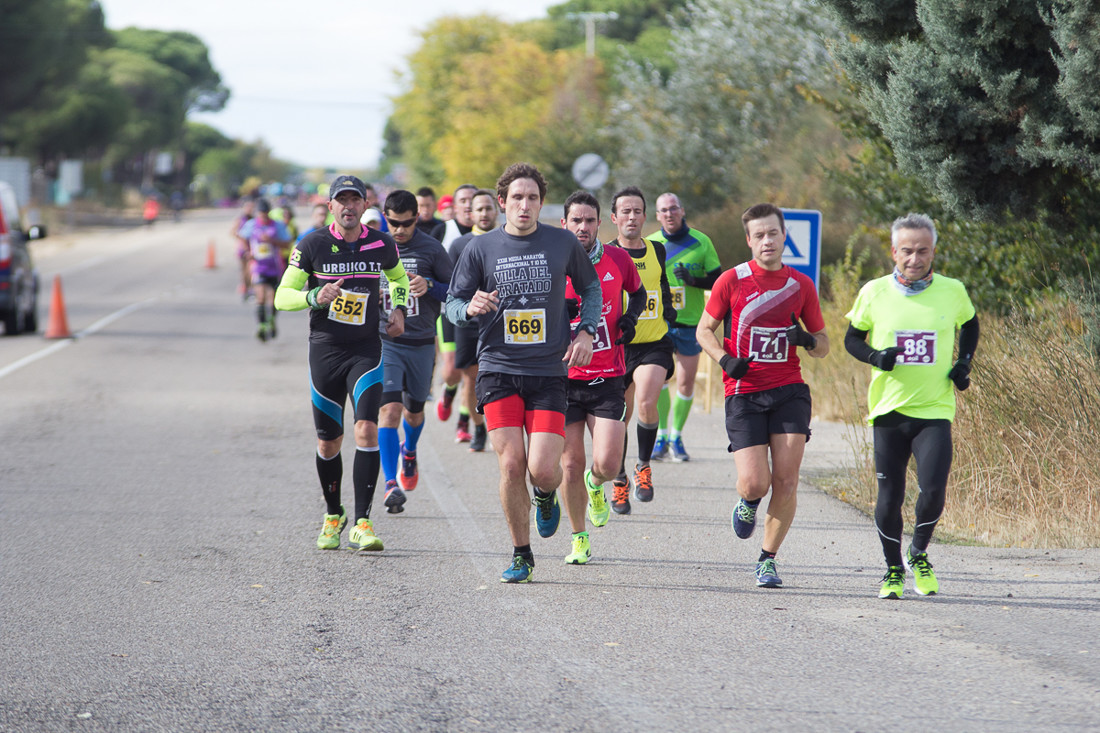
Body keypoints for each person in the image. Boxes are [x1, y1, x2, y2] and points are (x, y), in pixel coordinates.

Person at [445, 162, 601, 583]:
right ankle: (521, 554)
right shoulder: (479, 249)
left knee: (543, 470)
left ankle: (546, 495)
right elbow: (452, 304)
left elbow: (590, 287)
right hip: (498, 369)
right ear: (502, 203)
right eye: (517, 197)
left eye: (533, 197)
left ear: (542, 203)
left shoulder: (562, 242)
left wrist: (586, 330)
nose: (525, 204)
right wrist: (468, 308)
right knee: (512, 465)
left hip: (549, 371)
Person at [844, 213, 978, 599]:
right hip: (888, 411)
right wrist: (875, 357)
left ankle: (918, 554)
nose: (914, 259)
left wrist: (964, 362)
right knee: (890, 498)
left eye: (922, 251)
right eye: (907, 251)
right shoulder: (873, 291)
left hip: (935, 410)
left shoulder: (952, 290)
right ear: (894, 252)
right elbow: (853, 338)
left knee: (933, 490)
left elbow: (970, 324)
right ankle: (892, 570)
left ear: (933, 251)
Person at [274, 174, 410, 552]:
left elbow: (398, 278)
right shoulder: (312, 244)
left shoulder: (381, 244)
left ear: (365, 206)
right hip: (326, 351)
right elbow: (282, 298)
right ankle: (334, 514)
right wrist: (315, 295)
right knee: (328, 441)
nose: (349, 207)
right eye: (341, 200)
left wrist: (398, 308)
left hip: (365, 350)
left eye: (356, 200)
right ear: (331, 206)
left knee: (366, 428)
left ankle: (363, 521)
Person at [696, 203, 829, 588]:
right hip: (744, 392)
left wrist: (806, 340)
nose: (767, 241)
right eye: (759, 235)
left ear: (785, 236)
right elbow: (704, 330)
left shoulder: (801, 285)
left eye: (773, 233)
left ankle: (767, 559)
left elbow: (823, 345)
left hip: (789, 390)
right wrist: (724, 359)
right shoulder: (731, 280)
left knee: (787, 481)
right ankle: (748, 501)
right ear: (749, 240)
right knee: (756, 482)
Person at [558, 190, 645, 564]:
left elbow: (639, 296)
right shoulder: (552, 263)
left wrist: (629, 319)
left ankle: (596, 487)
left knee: (608, 464)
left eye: (589, 220)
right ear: (564, 224)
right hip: (563, 379)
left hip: (609, 375)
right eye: (575, 220)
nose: (582, 227)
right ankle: (579, 538)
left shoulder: (619, 259)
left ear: (599, 223)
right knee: (571, 463)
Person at [376, 190, 454, 509]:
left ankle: (409, 452)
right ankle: (390, 482)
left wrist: (430, 287)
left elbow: (456, 291)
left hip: (422, 343)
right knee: (389, 410)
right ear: (385, 217)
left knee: (414, 411)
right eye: (393, 223)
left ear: (416, 218)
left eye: (406, 223)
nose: (399, 230)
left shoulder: (432, 249)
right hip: (387, 342)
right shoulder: (376, 246)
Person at [606, 187, 676, 514]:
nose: (632, 217)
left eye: (637, 212)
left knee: (648, 400)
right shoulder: (604, 254)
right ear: (614, 218)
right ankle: (619, 480)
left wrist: (671, 312)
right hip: (617, 347)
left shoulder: (657, 250)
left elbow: (661, 286)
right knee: (620, 416)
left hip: (654, 342)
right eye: (626, 212)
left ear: (645, 217)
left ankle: (643, 467)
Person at [648, 192, 723, 462]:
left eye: (673, 209)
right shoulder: (651, 243)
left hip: (691, 323)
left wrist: (693, 280)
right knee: (659, 381)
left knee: (685, 381)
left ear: (682, 211)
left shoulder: (701, 242)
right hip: (660, 323)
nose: (669, 214)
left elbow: (717, 280)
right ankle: (661, 437)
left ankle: (676, 437)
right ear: (657, 216)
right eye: (663, 210)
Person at [441, 189, 495, 450]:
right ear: (470, 214)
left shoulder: (506, 240)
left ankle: (501, 427)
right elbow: (452, 290)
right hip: (467, 322)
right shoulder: (459, 246)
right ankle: (478, 427)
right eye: (479, 209)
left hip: (500, 323)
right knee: (470, 378)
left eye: (489, 208)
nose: (484, 214)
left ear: (497, 211)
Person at [237, 198, 290, 342]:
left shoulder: (277, 226)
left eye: (266, 214)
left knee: (273, 299)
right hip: (258, 266)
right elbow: (241, 236)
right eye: (261, 214)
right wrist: (248, 251)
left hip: (274, 266)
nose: (263, 217)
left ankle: (271, 320)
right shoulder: (252, 225)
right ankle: (261, 326)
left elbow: (287, 244)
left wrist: (272, 241)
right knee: (260, 297)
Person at [232, 199, 256, 300]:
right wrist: (242, 239)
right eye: (248, 207)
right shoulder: (240, 219)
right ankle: (246, 288)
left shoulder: (255, 220)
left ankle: (251, 288)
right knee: (244, 271)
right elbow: (233, 232)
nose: (249, 209)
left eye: (251, 207)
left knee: (251, 270)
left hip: (253, 248)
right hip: (242, 249)